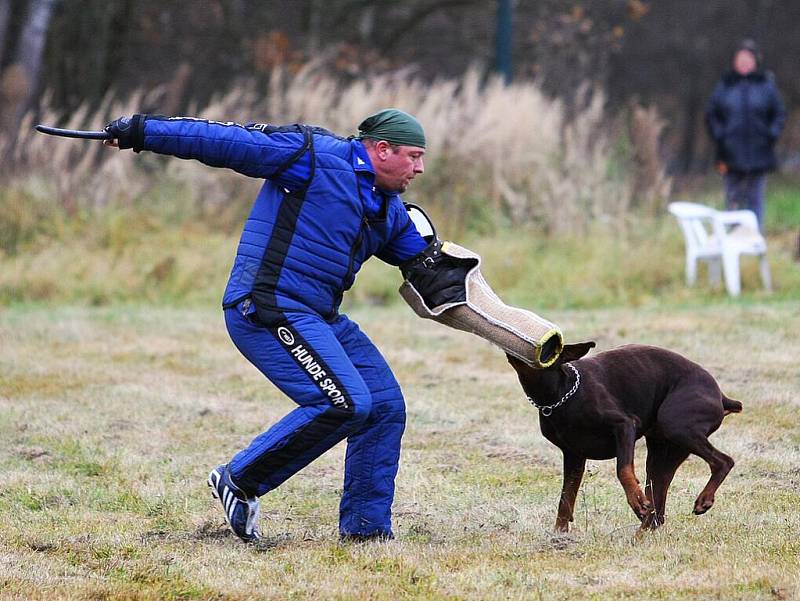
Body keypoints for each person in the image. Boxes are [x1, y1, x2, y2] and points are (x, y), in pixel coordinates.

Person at [103, 108, 466, 543]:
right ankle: (239, 480)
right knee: (346, 402)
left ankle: (366, 533)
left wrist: (470, 288)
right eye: (413, 156)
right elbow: (220, 140)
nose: (420, 168)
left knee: (384, 406)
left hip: (319, 316)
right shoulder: (310, 154)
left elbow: (430, 269)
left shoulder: (388, 210)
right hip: (266, 307)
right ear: (382, 149)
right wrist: (141, 131)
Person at [705, 39, 786, 230]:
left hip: (759, 154)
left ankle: (755, 240)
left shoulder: (766, 86)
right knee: (733, 198)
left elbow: (779, 113)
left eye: (747, 59)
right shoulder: (725, 85)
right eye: (740, 58)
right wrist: (720, 135)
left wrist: (771, 134)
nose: (743, 62)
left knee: (755, 199)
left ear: (755, 61)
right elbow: (711, 114)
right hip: (729, 154)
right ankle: (732, 240)